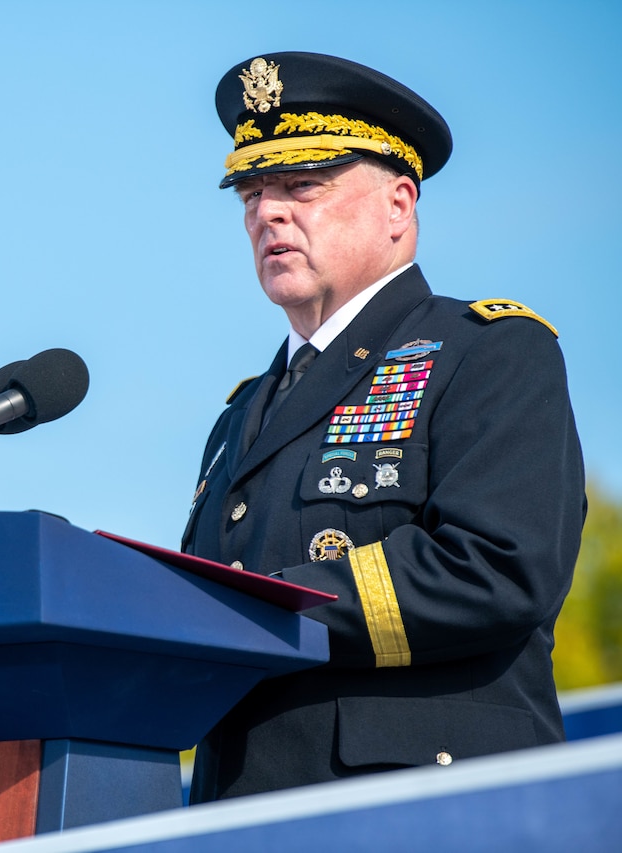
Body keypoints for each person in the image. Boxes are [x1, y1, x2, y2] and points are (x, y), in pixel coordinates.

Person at [180, 52, 587, 802]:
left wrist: (254, 610)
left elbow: (498, 566)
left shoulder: (489, 350)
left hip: (422, 811)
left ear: (399, 205)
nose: (268, 212)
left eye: (301, 185)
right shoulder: (241, 412)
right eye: (252, 191)